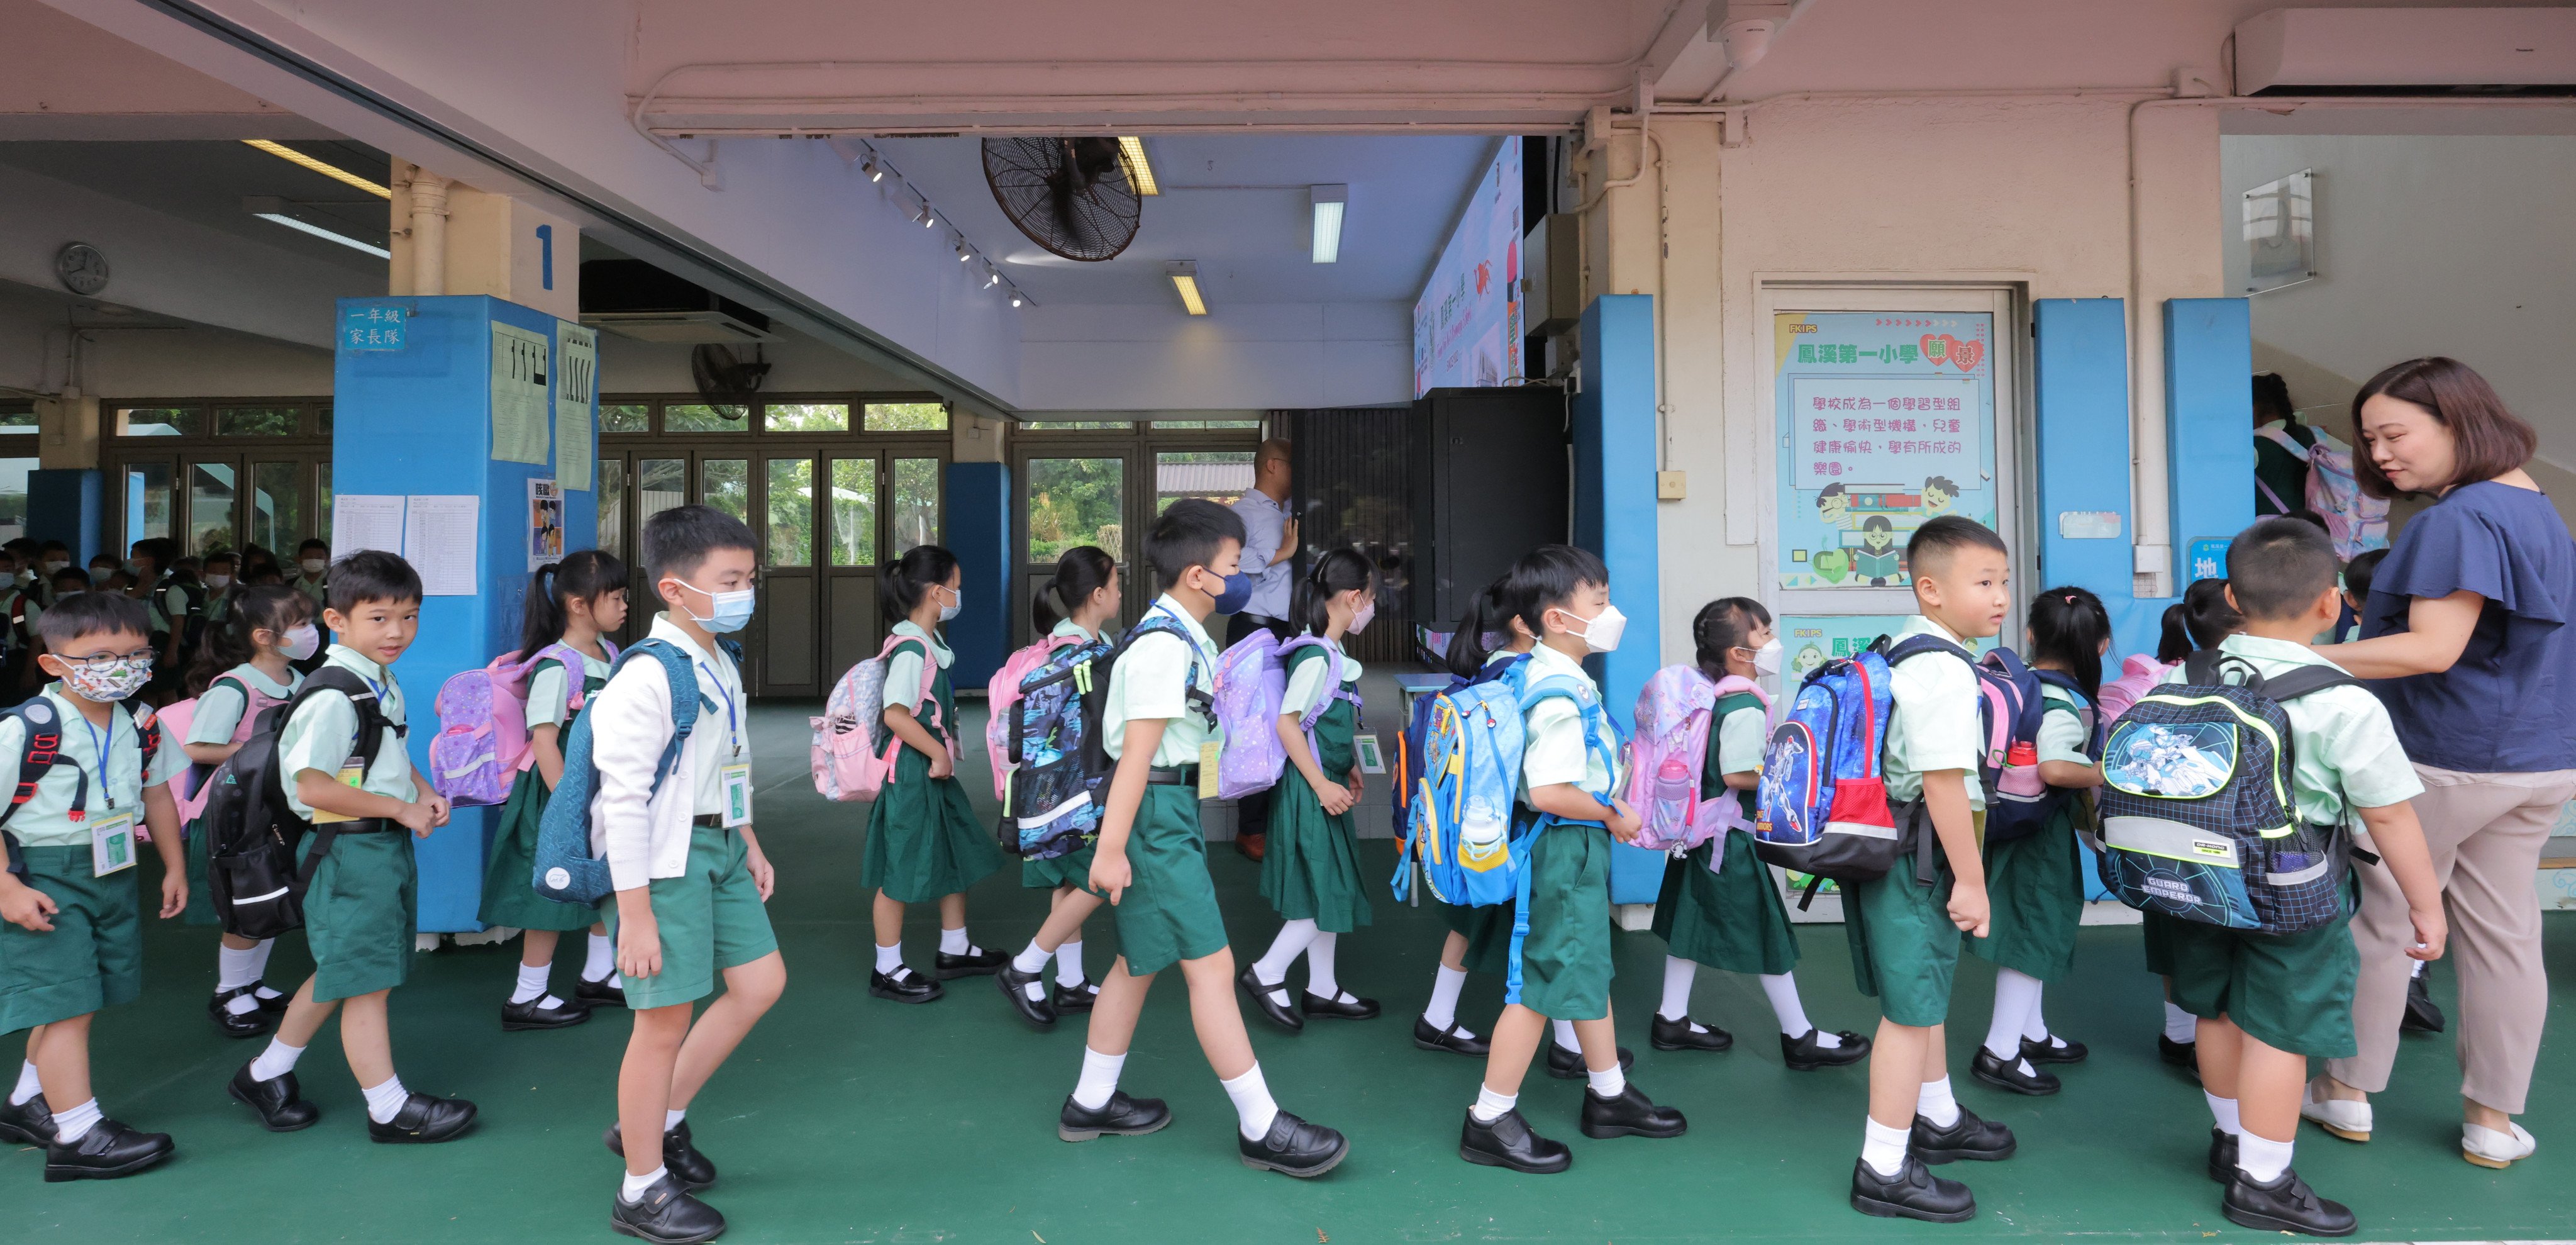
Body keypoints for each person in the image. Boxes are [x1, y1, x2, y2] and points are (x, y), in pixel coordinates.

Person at [2305, 357, 2576, 1171]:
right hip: (2538, 763)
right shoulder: (2541, 509)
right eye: (2370, 438)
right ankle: (2493, 1120)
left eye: (2396, 434)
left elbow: (2434, 647)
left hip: (2441, 761)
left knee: (2383, 922)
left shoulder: (2456, 520)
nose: (2381, 454)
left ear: (2459, 423)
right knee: (2505, 936)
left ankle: (2345, 1093)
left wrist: (2297, 659)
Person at [2154, 516, 2446, 1236]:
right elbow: (2390, 818)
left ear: (2230, 595)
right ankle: (2263, 1178)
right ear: (2333, 604)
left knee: (2214, 1011)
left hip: (2189, 880)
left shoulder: (2181, 675)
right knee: (2279, 1031)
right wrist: (2426, 905)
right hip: (2292, 886)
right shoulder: (2343, 699)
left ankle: (2228, 1138)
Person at [1056, 499, 1348, 1178]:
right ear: (1196, 574)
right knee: (1213, 969)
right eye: (1231, 566)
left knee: (1139, 960)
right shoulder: (1162, 647)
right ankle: (1261, 1123)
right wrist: (1111, 847)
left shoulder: (1176, 633)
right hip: (1153, 815)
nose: (1241, 577)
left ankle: (1090, 1100)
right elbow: (1138, 756)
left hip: (1161, 810)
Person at [226, 551, 472, 1143]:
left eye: (409, 617)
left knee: (349, 968)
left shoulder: (374, 680)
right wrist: (400, 807)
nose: (397, 632)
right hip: (348, 851)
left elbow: (381, 750)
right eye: (380, 618)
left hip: (376, 849)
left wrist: (423, 788)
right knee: (364, 980)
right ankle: (388, 1107)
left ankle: (267, 1072)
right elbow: (309, 784)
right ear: (337, 620)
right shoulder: (334, 693)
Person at [588, 505, 784, 1243]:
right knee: (661, 1020)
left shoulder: (716, 659)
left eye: (749, 577)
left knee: (760, 982)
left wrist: (748, 837)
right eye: (729, 579)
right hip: (663, 860)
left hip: (720, 846)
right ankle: (640, 1189)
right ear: (674, 588)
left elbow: (725, 765)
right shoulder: (646, 673)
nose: (745, 591)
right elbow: (625, 800)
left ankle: (657, 1122)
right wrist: (632, 913)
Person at [1458, 544, 1683, 1175]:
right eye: (1600, 601)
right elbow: (1551, 788)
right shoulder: (1557, 690)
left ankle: (1608, 1093)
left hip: (1564, 844)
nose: (1612, 612)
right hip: (1561, 843)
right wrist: (1615, 814)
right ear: (1558, 618)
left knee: (1584, 966)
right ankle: (1489, 1116)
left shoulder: (1540, 671)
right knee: (1535, 988)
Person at [1846, 516, 2012, 1224]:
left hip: (1893, 848)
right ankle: (1882, 1165)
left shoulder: (1904, 649)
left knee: (1925, 995)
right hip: (1919, 857)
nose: (2000, 596)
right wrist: (1971, 881)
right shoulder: (1943, 668)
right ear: (1930, 589)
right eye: (1983, 582)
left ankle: (1937, 1115)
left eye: (2003, 581)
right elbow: (1944, 782)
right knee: (1908, 1016)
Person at [0, 591, 188, 1180]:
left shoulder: (141, 721)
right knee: (69, 1003)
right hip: (42, 875)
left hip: (111, 870)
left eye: (136, 653)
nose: (123, 666)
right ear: (54, 664)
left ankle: (27, 1103)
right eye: (102, 655)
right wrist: (6, 887)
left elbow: (156, 792)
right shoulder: (27, 726)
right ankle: (78, 1135)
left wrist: (174, 865)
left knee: (82, 995)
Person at [1652, 597, 1867, 1069]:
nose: (1772, 642)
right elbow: (1738, 774)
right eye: (1763, 634)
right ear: (1737, 653)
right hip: (1729, 843)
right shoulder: (1745, 704)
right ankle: (1799, 1036)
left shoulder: (1715, 696)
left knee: (1687, 922)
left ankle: (1671, 1018)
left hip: (1703, 836)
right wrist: (1789, 773)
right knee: (1769, 932)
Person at [479, 553, 631, 1030]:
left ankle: (598, 973)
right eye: (617, 597)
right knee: (550, 892)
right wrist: (570, 806)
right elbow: (544, 740)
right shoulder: (556, 666)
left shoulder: (610, 654)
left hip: (597, 790)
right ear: (579, 605)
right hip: (558, 795)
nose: (626, 604)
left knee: (605, 877)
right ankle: (526, 996)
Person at [1967, 587, 2109, 1098]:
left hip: (2007, 818)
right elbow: (2054, 766)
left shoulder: (2019, 684)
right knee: (2035, 935)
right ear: (2100, 645)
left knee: (2030, 929)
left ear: (2030, 634)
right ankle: (2000, 1052)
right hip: (2040, 835)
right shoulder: (2065, 700)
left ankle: (2032, 1031)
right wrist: (2106, 770)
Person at [1241, 548, 1380, 1032]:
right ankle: (1267, 971)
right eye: (1371, 599)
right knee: (1325, 890)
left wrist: (1350, 768)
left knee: (1328, 890)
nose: (1371, 609)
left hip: (1325, 787)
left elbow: (1322, 722)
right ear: (1353, 597)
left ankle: (1322, 987)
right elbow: (1288, 723)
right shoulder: (1317, 656)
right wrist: (1322, 782)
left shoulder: (1331, 653)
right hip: (1312, 793)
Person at [862, 545, 1006, 1002]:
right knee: (899, 865)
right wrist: (937, 754)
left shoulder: (930, 645)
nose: (958, 596)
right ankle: (886, 969)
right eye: (955, 587)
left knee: (953, 849)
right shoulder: (910, 650)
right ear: (934, 592)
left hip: (929, 768)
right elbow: (895, 714)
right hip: (911, 771)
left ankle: (955, 945)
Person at [178, 584, 315, 1039]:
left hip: (275, 810)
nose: (309, 632)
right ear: (263, 635)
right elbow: (197, 745)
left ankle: (252, 982)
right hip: (236, 816)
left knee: (272, 898)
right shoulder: (235, 686)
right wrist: (262, 750)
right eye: (300, 624)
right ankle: (229, 990)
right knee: (247, 903)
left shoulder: (298, 682)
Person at [996, 546, 1120, 1027]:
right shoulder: (1087, 657)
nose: (1120, 591)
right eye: (1115, 584)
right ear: (1097, 594)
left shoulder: (1059, 650)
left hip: (1049, 793)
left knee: (1068, 878)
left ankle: (1069, 981)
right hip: (1080, 793)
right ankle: (1025, 967)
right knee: (1098, 877)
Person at [1410, 581, 1520, 1059]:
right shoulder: (1519, 676)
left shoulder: (1482, 672)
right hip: (1510, 826)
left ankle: (1436, 1017)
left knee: (1469, 919)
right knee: (1542, 927)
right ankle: (1572, 1044)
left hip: (1475, 824)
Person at [1223, 437, 1299, 861]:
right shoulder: (1241, 513)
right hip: (1253, 629)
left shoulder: (1283, 513)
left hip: (1284, 629)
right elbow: (1231, 561)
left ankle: (1273, 820)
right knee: (1252, 724)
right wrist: (1279, 553)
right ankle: (1250, 828)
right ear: (1272, 465)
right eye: (1291, 465)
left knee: (1281, 723)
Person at [2253, 372, 2313, 519]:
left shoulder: (2255, 448)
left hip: (2274, 532)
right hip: (2313, 530)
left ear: (2253, 409)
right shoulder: (2312, 435)